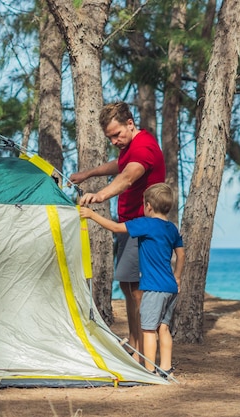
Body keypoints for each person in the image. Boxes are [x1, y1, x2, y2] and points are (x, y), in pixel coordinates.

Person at [69, 101, 165, 361]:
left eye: (116, 134)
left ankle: (143, 353)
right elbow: (120, 165)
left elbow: (129, 175)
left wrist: (100, 195)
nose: (113, 140)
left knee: (138, 293)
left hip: (142, 229)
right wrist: (88, 174)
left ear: (130, 124)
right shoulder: (131, 147)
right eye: (109, 137)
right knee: (128, 286)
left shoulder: (144, 146)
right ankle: (135, 346)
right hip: (129, 227)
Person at [79, 183, 185, 378]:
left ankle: (149, 370)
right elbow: (181, 253)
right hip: (170, 287)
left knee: (148, 330)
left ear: (149, 206)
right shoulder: (171, 228)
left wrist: (92, 215)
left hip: (153, 289)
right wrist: (177, 276)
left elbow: (116, 227)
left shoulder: (144, 224)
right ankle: (167, 368)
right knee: (164, 328)